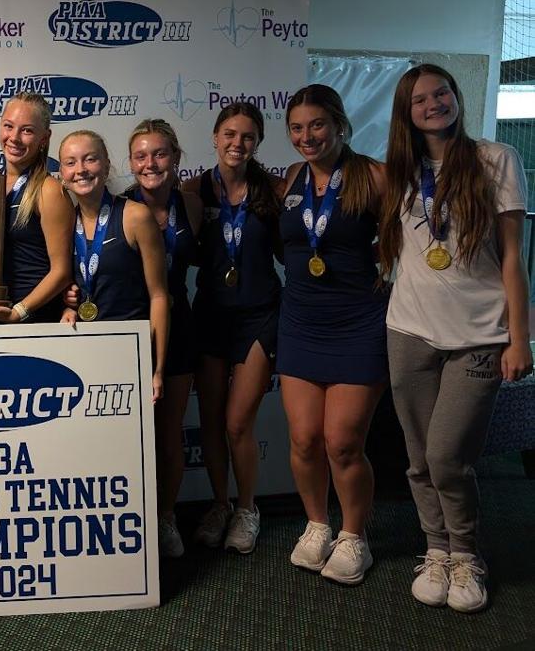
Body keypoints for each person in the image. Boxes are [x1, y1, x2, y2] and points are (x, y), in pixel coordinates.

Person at [379, 64, 532, 612]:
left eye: (440, 92)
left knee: (448, 458)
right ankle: (436, 549)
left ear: (455, 97)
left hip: (479, 336)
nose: (433, 103)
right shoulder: (400, 169)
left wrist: (521, 338)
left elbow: (514, 258)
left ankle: (466, 554)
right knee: (419, 458)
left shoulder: (496, 160)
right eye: (420, 99)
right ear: (407, 112)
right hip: (410, 331)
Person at [277, 84, 388, 585]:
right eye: (297, 128)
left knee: (342, 441)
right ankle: (317, 524)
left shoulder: (374, 177)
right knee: (303, 440)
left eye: (317, 124)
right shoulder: (292, 177)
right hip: (300, 321)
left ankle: (354, 536)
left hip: (358, 323)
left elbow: (405, 242)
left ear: (340, 124)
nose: (307, 136)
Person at [184, 103, 283, 555]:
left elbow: (297, 251)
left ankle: (248, 508)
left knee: (238, 422)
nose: (236, 143)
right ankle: (220, 505)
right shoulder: (192, 190)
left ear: (258, 142)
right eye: (228, 134)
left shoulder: (275, 191)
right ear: (214, 136)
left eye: (246, 136)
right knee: (210, 423)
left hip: (259, 316)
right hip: (209, 315)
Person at [124, 119, 202, 558]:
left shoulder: (190, 206)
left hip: (179, 327)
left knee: (169, 432)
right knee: (130, 434)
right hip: (131, 329)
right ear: (131, 162)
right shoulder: (119, 206)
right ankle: (130, 517)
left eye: (159, 154)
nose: (150, 163)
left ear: (175, 158)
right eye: (141, 155)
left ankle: (166, 517)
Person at [57, 129, 169, 403]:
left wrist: (157, 369)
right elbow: (73, 281)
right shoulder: (65, 222)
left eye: (90, 159)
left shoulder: (135, 216)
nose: (81, 170)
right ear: (61, 172)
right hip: (83, 353)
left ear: (106, 165)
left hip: (130, 349)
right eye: (71, 162)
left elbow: (159, 296)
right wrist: (68, 306)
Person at [0, 92, 74, 324]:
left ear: (44, 138)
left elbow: (62, 272)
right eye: (8, 126)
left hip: (32, 320)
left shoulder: (48, 190)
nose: (14, 137)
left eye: (27, 130)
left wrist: (18, 312)